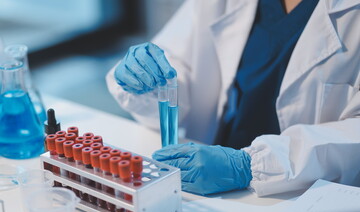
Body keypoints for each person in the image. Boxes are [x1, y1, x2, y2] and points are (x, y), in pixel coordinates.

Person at [107, 0, 360, 196]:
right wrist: (145, 82)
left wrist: (249, 166)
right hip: (204, 176)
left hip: (300, 195)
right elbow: (178, 67)